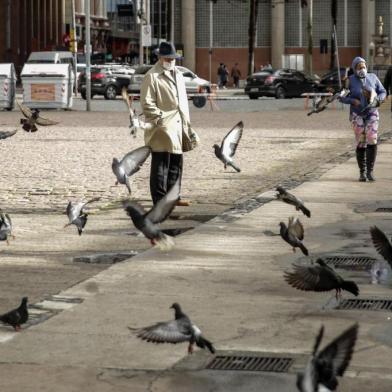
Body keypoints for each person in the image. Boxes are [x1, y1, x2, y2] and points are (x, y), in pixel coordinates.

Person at [139, 41, 192, 206]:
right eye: (167, 58)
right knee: (161, 165)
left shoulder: (178, 74)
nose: (170, 61)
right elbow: (147, 103)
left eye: (173, 58)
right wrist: (159, 119)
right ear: (160, 57)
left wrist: (187, 124)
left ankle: (174, 197)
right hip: (162, 127)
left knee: (176, 163)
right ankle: (160, 202)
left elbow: (182, 101)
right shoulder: (152, 76)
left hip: (178, 125)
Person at [339, 56, 386, 182]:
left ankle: (370, 171)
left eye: (364, 67)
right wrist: (352, 100)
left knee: (371, 138)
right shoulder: (350, 80)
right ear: (354, 69)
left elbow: (383, 91)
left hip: (372, 112)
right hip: (357, 114)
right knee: (361, 141)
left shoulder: (373, 78)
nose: (362, 69)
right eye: (359, 67)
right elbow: (341, 96)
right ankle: (362, 172)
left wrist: (379, 99)